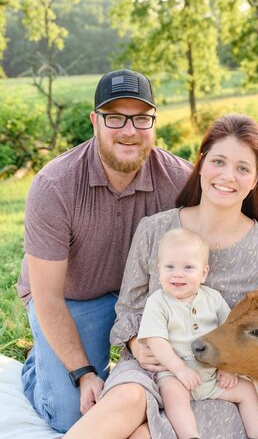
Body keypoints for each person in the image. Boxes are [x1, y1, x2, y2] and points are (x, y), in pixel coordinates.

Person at [65, 113, 258, 439]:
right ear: (201, 164)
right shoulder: (154, 229)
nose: (228, 176)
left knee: (145, 435)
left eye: (243, 168)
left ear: (255, 180)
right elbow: (129, 308)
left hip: (217, 382)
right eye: (218, 161)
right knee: (128, 397)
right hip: (152, 366)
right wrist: (135, 342)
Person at [17, 69, 192, 433]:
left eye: (141, 118)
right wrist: (82, 373)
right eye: (115, 117)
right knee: (73, 413)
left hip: (144, 301)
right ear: (95, 121)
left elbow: (236, 236)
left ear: (154, 122)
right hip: (72, 299)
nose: (129, 130)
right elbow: (47, 297)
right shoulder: (55, 186)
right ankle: (40, 365)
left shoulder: (180, 181)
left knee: (186, 387)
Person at [138, 227, 258, 439]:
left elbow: (230, 335)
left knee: (247, 390)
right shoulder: (158, 302)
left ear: (204, 273)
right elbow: (157, 341)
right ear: (158, 270)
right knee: (173, 394)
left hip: (210, 376)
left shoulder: (214, 299)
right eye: (169, 266)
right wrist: (180, 370)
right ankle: (190, 435)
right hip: (175, 374)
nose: (178, 273)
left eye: (188, 267)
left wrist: (228, 368)